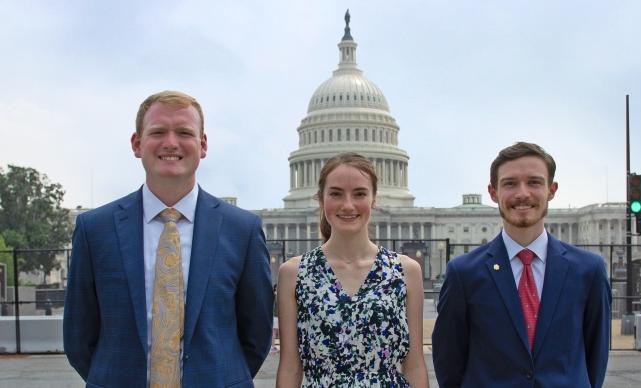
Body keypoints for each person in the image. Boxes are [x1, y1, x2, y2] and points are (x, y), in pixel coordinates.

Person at [63, 90, 273, 387]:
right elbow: (78, 336)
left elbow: (257, 333)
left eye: (184, 132)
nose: (171, 143)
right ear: (137, 144)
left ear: (203, 145)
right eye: (158, 131)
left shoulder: (242, 230)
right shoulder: (95, 229)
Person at [432, 142, 611, 388]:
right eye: (510, 183)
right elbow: (449, 361)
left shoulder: (588, 270)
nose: (522, 193)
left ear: (552, 190)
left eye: (534, 182)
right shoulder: (464, 273)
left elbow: (596, 355)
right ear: (493, 192)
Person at [276, 152, 428, 387]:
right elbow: (289, 366)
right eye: (336, 194)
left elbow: (414, 364)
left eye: (359, 194)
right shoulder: (294, 273)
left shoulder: (406, 271)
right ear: (320, 198)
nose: (348, 205)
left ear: (374, 199)